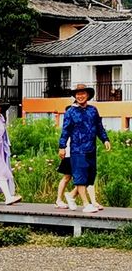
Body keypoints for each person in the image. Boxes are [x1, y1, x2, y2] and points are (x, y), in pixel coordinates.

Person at [58, 83, 110, 214]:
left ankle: (70, 196)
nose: (80, 96)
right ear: (75, 96)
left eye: (83, 94)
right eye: (78, 94)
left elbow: (99, 126)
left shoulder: (93, 110)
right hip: (77, 149)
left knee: (89, 177)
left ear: (87, 95)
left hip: (91, 149)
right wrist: (62, 146)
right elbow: (66, 130)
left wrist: (105, 139)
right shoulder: (70, 111)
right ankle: (86, 204)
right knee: (80, 176)